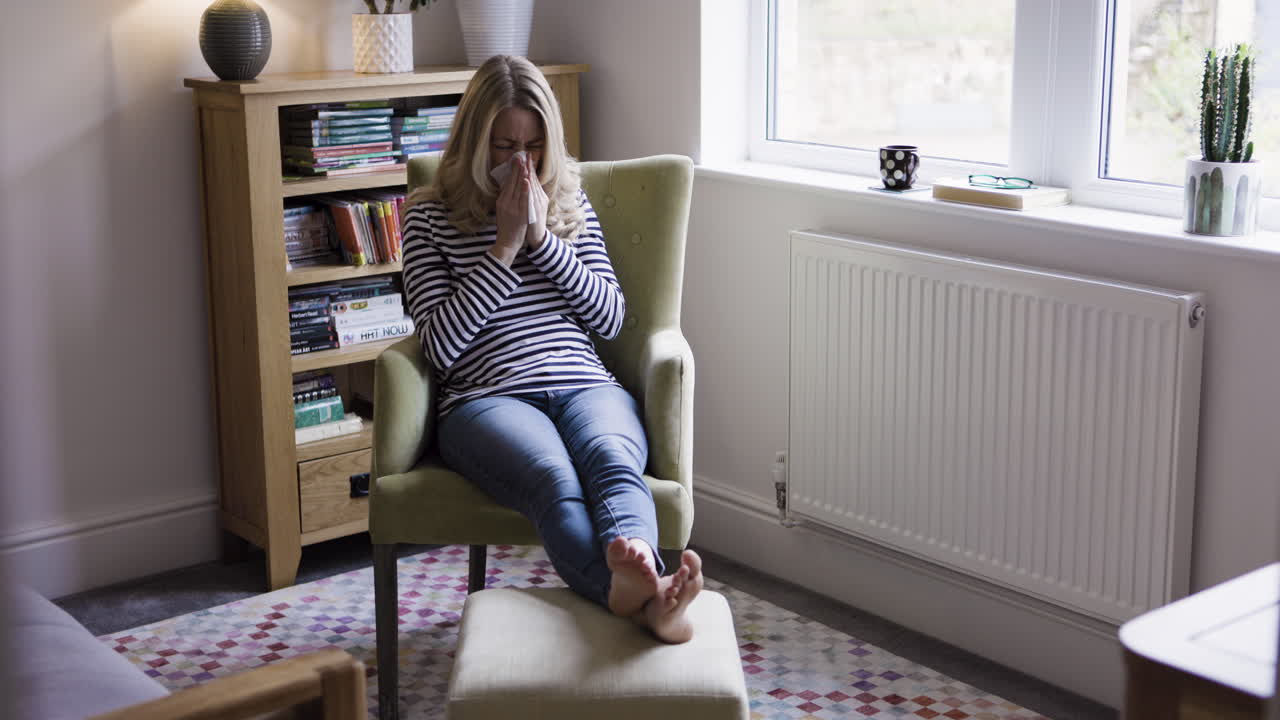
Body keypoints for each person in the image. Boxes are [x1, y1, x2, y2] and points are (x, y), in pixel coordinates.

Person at [400, 55, 702, 643]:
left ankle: (639, 570)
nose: (521, 163)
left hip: (583, 382)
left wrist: (541, 237)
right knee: (553, 479)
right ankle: (651, 600)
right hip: (484, 397)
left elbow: (610, 318)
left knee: (613, 461)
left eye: (534, 146)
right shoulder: (427, 217)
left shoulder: (568, 205)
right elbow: (440, 349)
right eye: (504, 145)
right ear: (472, 140)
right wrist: (505, 248)